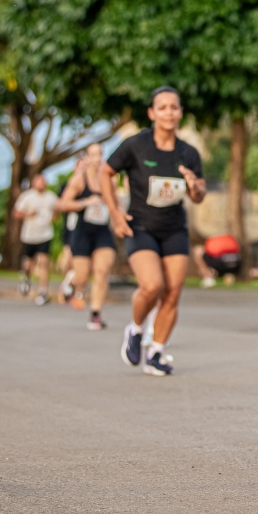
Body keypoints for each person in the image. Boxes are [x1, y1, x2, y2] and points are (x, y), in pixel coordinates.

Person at [101, 86, 206, 376]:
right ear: (151, 113)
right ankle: (135, 329)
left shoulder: (188, 153)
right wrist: (115, 212)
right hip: (141, 226)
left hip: (174, 229)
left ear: (180, 112)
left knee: (172, 293)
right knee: (151, 286)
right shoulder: (136, 145)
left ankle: (156, 353)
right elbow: (105, 172)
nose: (169, 113)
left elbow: (199, 195)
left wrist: (194, 185)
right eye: (162, 107)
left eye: (174, 107)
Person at [56, 145, 117, 330]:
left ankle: (95, 314)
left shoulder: (109, 180)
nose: (97, 158)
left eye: (100, 154)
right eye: (93, 155)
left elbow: (116, 205)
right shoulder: (79, 180)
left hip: (103, 231)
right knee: (82, 277)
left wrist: (119, 218)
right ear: (87, 158)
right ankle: (71, 282)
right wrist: (86, 202)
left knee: (102, 271)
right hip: (83, 231)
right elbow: (64, 204)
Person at [14, 174, 58, 306]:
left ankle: (43, 291)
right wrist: (28, 214)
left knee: (43, 262)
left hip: (45, 234)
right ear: (34, 183)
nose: (41, 184)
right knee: (29, 264)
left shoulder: (51, 197)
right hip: (29, 235)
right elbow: (16, 213)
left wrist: (54, 215)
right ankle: (26, 278)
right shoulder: (27, 197)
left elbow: (58, 209)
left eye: (43, 182)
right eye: (39, 182)